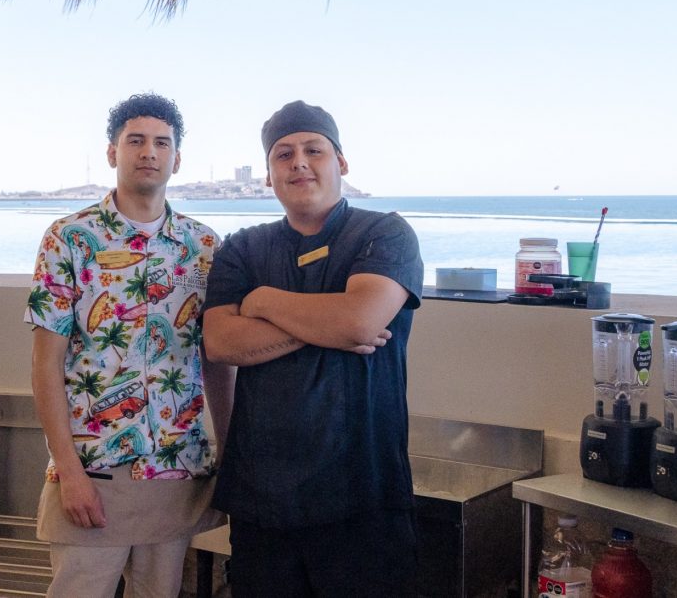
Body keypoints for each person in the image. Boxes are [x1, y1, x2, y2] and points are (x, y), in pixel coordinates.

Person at [203, 100, 424, 597]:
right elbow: (220, 342)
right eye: (283, 154)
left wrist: (264, 302)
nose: (298, 162)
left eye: (313, 150)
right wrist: (334, 324)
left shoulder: (384, 233)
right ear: (268, 176)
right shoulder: (242, 248)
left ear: (340, 162)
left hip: (364, 496)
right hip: (263, 502)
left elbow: (359, 321)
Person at [25, 93, 235, 598]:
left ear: (177, 159)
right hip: (93, 469)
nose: (149, 152)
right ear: (112, 153)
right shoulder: (69, 238)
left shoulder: (203, 246)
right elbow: (46, 365)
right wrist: (69, 471)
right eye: (135, 140)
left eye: (162, 143)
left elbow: (216, 362)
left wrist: (231, 452)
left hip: (177, 466)